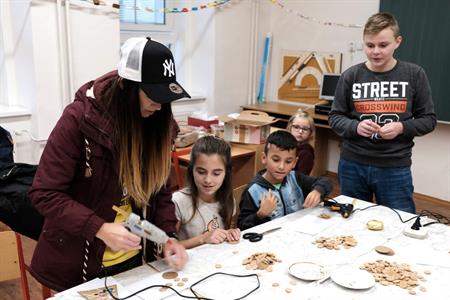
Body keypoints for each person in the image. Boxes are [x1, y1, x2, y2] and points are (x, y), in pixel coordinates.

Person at [29, 37, 189, 291]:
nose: (159, 105)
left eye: (165, 96)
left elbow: (161, 191)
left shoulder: (159, 125)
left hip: (135, 261)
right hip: (79, 265)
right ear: (126, 86)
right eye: (153, 95)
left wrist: (167, 236)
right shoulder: (78, 120)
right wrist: (99, 228)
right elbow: (44, 193)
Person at [328, 12, 436, 213]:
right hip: (353, 164)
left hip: (394, 166)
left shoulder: (414, 74)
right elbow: (335, 117)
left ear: (397, 42)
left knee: (398, 222)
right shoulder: (351, 75)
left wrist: (401, 127)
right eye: (369, 45)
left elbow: (428, 120)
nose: (375, 51)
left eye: (383, 45)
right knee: (351, 221)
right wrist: (355, 126)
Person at [237, 130, 332, 230]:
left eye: (288, 161)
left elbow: (326, 181)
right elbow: (242, 226)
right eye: (276, 160)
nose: (282, 167)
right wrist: (260, 215)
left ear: (295, 163)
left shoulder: (295, 178)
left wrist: (318, 191)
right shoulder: (253, 191)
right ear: (264, 158)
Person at [172, 136, 240, 249]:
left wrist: (230, 233)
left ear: (226, 173)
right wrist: (203, 239)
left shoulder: (228, 199)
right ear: (191, 170)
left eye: (216, 173)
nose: (208, 180)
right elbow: (168, 249)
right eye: (201, 172)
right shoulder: (178, 201)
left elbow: (225, 233)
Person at [286, 109, 315, 175]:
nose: (300, 132)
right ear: (290, 127)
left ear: (310, 132)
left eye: (305, 129)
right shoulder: (288, 145)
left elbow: (299, 179)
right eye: (296, 127)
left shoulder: (306, 154)